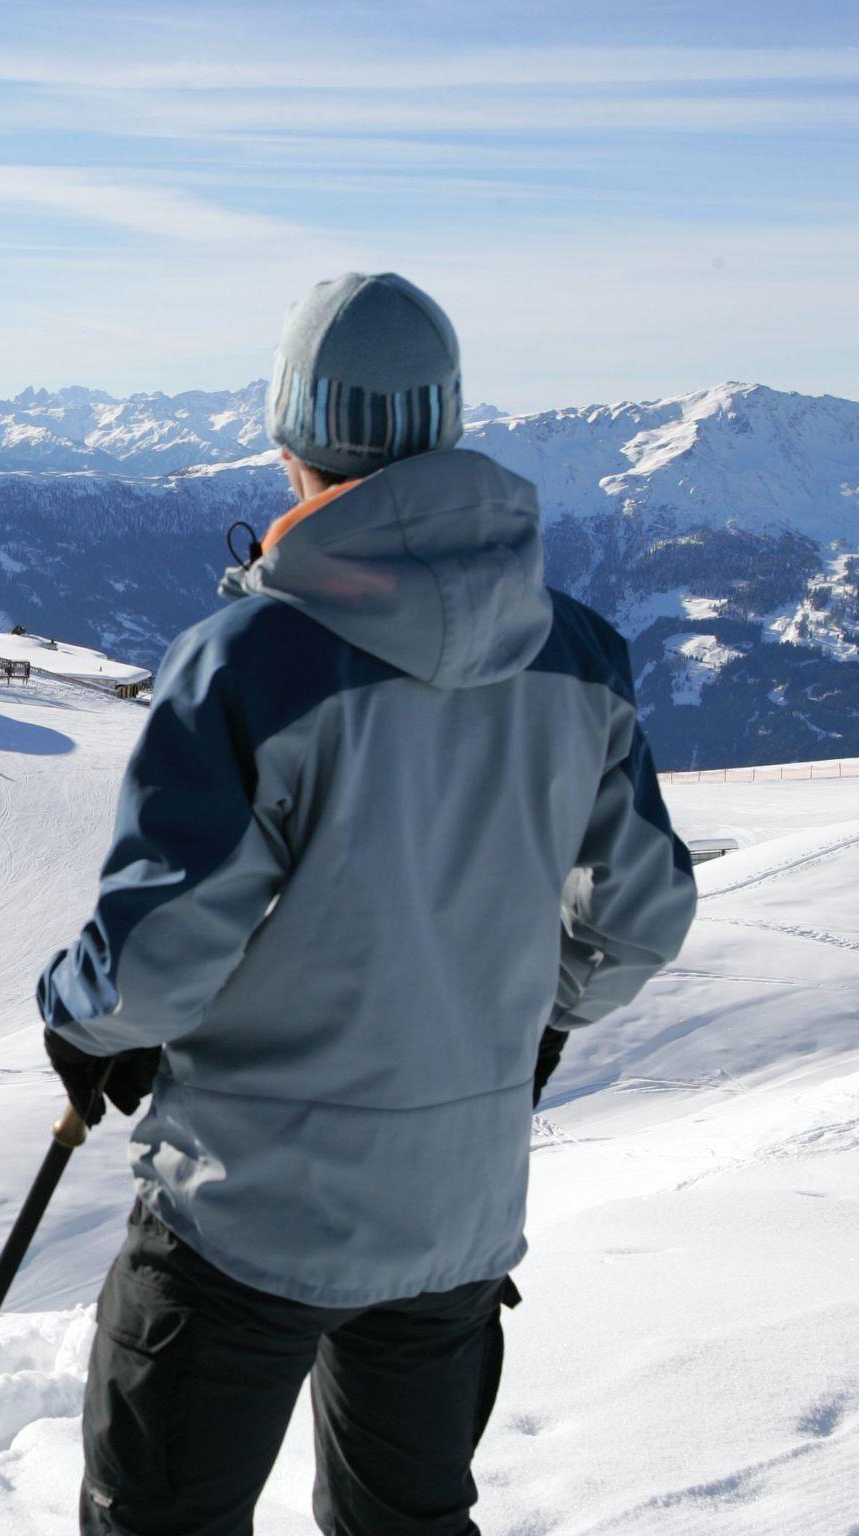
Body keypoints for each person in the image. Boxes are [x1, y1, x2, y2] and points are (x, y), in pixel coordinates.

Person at [37, 272, 698, 1536]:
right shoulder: (575, 653)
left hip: (244, 1208)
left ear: (289, 437)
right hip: (453, 1212)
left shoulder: (248, 661)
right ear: (445, 426)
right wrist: (542, 1016)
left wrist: (80, 1019)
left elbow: (158, 956)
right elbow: (641, 913)